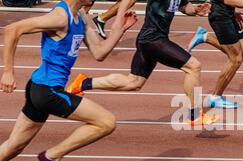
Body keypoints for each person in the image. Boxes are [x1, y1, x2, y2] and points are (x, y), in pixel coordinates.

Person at [0, 0, 137, 161]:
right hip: (47, 91)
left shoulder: (81, 17)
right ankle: (52, 156)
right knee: (106, 122)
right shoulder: (60, 17)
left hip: (40, 88)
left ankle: (51, 156)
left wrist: (119, 30)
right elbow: (12, 30)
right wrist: (8, 72)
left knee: (13, 146)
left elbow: (99, 52)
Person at [66, 0, 219, 125]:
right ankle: (193, 116)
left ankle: (83, 83)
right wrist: (118, 23)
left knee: (133, 82)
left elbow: (184, 6)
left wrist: (197, 9)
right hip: (154, 40)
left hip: (151, 39)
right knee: (193, 66)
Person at [186, 0, 243, 109]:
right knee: (236, 59)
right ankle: (215, 97)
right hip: (221, 17)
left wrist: (234, 11)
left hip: (229, 14)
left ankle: (205, 37)